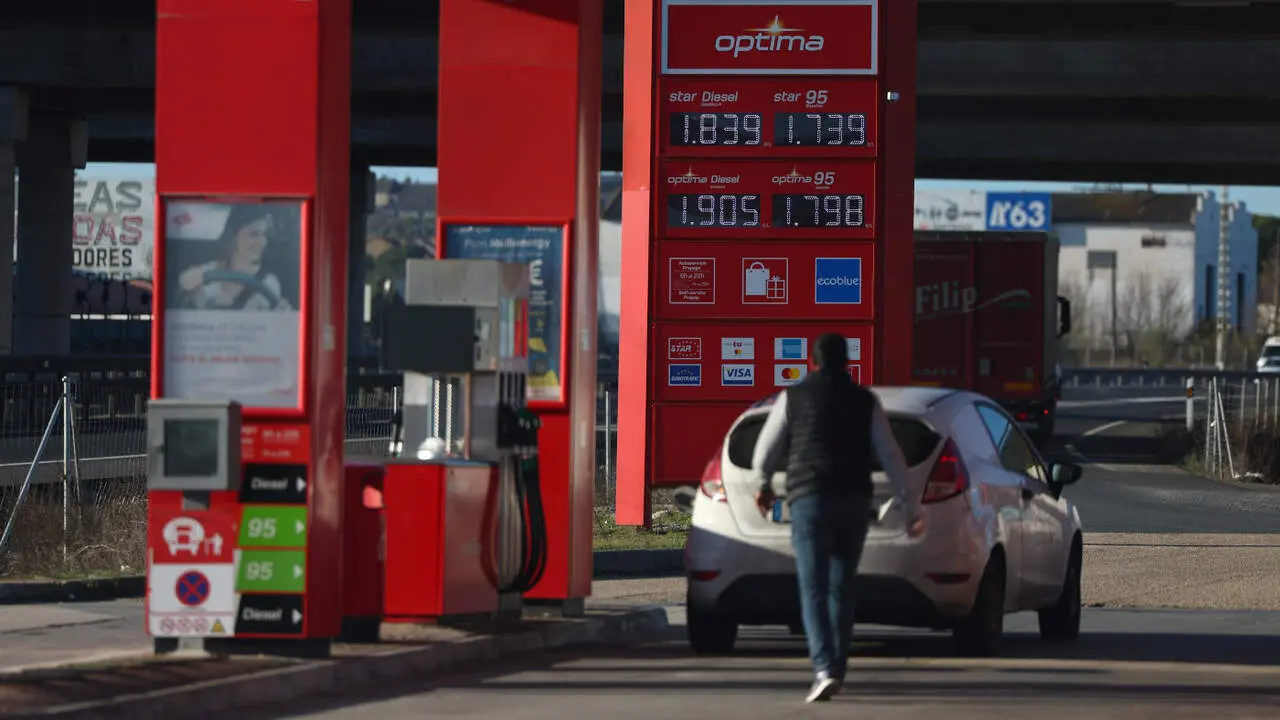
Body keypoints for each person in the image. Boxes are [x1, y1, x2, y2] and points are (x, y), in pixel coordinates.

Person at [750, 332, 925, 703]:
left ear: (811, 362)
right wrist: (910, 506)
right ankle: (837, 669)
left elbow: (766, 447)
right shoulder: (866, 401)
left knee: (812, 586)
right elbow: (891, 456)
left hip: (809, 499)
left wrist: (761, 486)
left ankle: (823, 668)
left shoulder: (792, 397)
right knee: (842, 587)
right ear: (848, 363)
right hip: (852, 501)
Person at [175, 205, 293, 311]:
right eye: (254, 234)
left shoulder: (269, 283)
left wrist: (281, 317)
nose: (262, 242)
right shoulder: (205, 274)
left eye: (264, 235)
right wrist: (187, 283)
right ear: (234, 236)